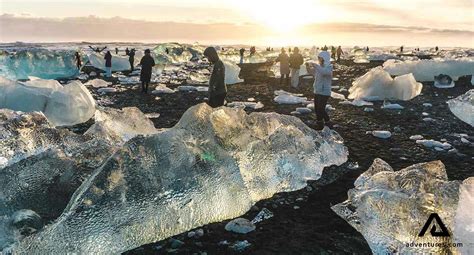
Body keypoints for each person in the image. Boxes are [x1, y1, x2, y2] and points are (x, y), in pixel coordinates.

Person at [306, 51, 333, 130]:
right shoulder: (319, 67)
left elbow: (324, 73)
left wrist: (316, 65)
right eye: (318, 58)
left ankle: (328, 122)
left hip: (325, 91)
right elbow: (311, 72)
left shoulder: (329, 67)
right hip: (317, 90)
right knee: (317, 108)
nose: (318, 59)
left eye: (320, 58)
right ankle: (319, 123)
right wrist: (308, 67)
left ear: (324, 58)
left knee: (321, 108)